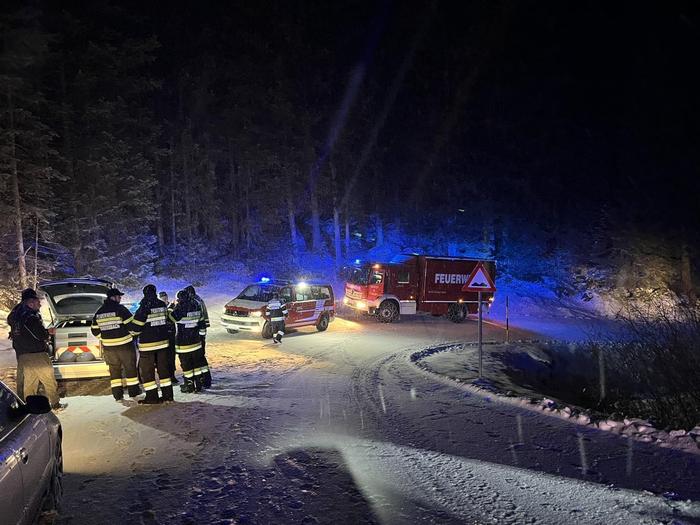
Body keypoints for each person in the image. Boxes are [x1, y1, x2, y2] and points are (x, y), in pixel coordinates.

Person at [7, 288, 61, 409]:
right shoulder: (30, 317)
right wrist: (49, 332)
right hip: (37, 355)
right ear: (30, 303)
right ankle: (56, 404)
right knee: (49, 380)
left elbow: (23, 334)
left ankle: (28, 406)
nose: (40, 304)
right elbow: (40, 335)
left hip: (23, 355)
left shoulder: (17, 316)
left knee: (29, 384)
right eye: (37, 302)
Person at [91, 288, 140, 401]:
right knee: (130, 368)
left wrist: (104, 338)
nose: (120, 298)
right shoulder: (120, 309)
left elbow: (94, 330)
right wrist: (132, 336)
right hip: (125, 346)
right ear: (113, 297)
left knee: (114, 371)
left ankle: (117, 395)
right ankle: (134, 392)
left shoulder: (99, 312)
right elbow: (131, 326)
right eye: (119, 296)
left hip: (109, 348)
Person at [131, 285, 174, 404]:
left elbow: (136, 327)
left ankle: (152, 397)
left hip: (148, 345)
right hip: (163, 343)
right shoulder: (162, 305)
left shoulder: (144, 307)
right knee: (164, 370)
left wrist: (133, 332)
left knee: (147, 372)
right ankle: (168, 395)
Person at [169, 289, 206, 393]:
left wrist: (171, 307)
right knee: (196, 364)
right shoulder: (196, 305)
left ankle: (189, 385)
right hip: (196, 342)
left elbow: (171, 318)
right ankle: (198, 384)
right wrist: (202, 338)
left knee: (186, 366)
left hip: (183, 343)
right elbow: (202, 324)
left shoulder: (181, 307)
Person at [184, 285, 211, 388]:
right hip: (200, 333)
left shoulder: (194, 303)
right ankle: (205, 379)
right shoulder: (198, 300)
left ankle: (202, 380)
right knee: (200, 357)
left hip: (196, 335)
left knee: (198, 358)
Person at [158, 290, 178, 384]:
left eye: (165, 298)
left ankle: (172, 375)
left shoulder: (171, 307)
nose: (164, 300)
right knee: (163, 358)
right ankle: (165, 375)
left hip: (170, 335)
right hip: (161, 336)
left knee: (171, 356)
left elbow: (172, 318)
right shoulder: (158, 307)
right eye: (162, 299)